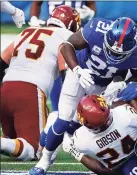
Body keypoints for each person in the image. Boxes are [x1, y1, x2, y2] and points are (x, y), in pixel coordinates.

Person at [30, 17, 137, 175]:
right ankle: (45, 161)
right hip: (80, 75)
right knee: (63, 121)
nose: (113, 55)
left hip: (103, 85)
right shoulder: (96, 28)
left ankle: (53, 125)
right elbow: (66, 45)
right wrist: (76, 69)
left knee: (85, 122)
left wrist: (122, 83)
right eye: (111, 49)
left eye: (119, 53)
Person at [0, 5, 80, 161]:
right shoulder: (66, 35)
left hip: (5, 88)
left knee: (13, 140)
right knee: (34, 150)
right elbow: (65, 70)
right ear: (71, 24)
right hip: (30, 90)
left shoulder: (27, 31)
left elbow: (2, 61)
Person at [29, 1, 96, 113]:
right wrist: (34, 18)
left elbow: (91, 3)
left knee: (79, 69)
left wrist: (91, 13)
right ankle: (59, 110)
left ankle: (81, 109)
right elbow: (37, 3)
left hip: (77, 34)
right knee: (57, 69)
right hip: (54, 32)